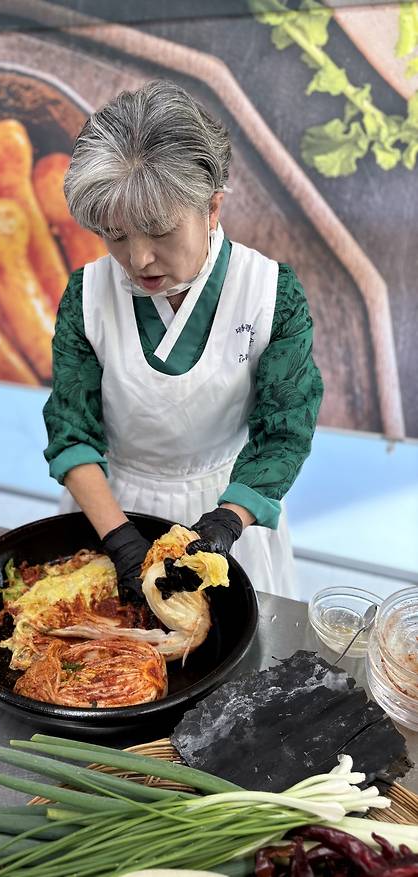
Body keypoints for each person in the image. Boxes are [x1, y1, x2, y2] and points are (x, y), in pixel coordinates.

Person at [43, 80, 323, 600]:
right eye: (117, 235)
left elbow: (284, 431)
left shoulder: (269, 294)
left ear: (212, 208)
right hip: (110, 508)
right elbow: (70, 430)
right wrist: (121, 538)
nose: (139, 259)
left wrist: (227, 522)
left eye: (160, 231)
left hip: (228, 505)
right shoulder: (87, 294)